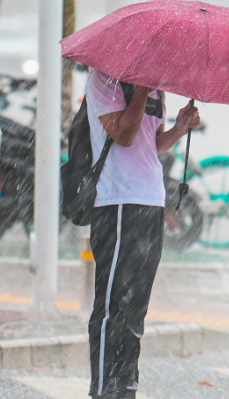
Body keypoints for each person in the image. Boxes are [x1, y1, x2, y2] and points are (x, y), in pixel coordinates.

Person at [85, 67, 200, 399]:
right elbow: (123, 135)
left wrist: (179, 128)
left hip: (151, 200)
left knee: (135, 304)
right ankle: (104, 389)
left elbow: (151, 144)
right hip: (117, 201)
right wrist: (140, 90)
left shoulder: (156, 88)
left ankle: (126, 387)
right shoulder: (103, 80)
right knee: (111, 305)